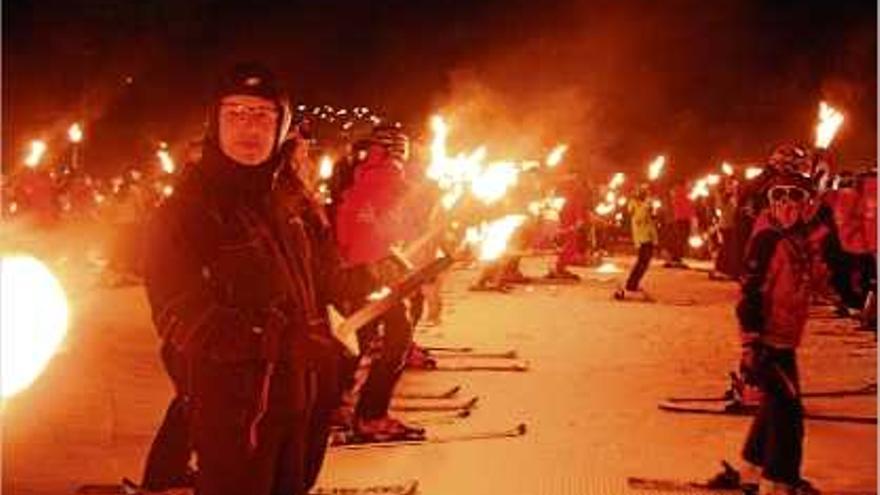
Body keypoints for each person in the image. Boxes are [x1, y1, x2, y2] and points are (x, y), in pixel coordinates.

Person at [142, 62, 366, 495]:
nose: (249, 127)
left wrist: (365, 280)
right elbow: (179, 317)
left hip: (301, 402)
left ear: (282, 126)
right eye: (236, 113)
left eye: (262, 115)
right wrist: (276, 342)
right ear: (215, 122)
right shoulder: (188, 210)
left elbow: (322, 282)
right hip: (234, 410)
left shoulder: (292, 200)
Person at [723, 170, 820, 495]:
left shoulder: (798, 240)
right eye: (779, 196)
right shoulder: (768, 240)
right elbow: (749, 294)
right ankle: (780, 481)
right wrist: (751, 343)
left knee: (776, 406)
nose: (786, 204)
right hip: (768, 340)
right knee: (788, 413)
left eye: (795, 197)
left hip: (785, 339)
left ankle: (752, 468)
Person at [333, 124, 424, 440]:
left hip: (358, 270)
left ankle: (337, 402)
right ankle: (371, 415)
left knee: (359, 336)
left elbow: (348, 229)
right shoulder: (392, 179)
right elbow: (398, 227)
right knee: (398, 337)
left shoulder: (361, 176)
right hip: (376, 271)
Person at [615, 184, 657, 300]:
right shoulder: (635, 205)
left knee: (645, 262)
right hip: (642, 237)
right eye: (644, 192)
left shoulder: (645, 205)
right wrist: (646, 205)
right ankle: (631, 284)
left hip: (648, 236)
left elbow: (651, 220)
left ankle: (633, 283)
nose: (647, 194)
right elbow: (639, 217)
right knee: (642, 262)